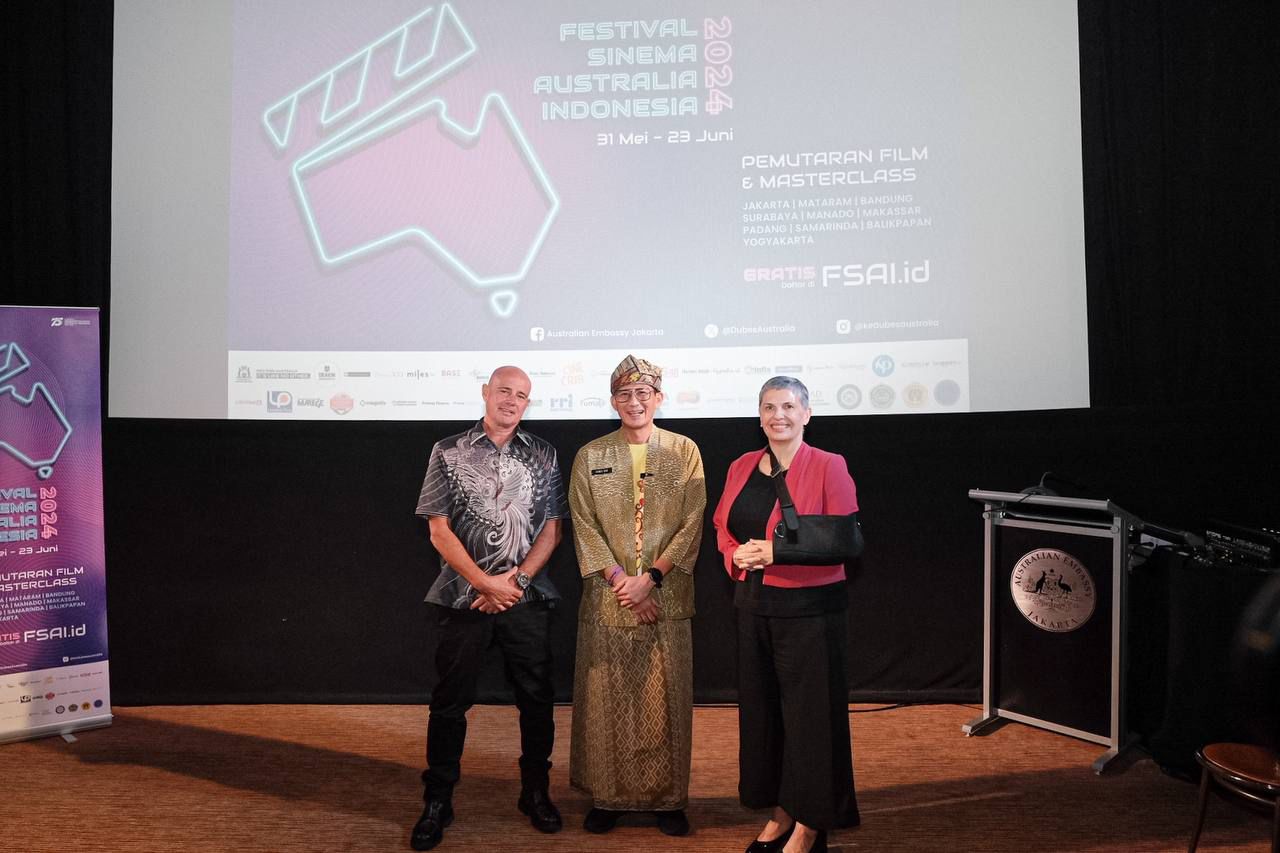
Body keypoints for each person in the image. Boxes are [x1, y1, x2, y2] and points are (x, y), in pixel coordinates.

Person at [410, 366, 566, 851]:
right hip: (464, 597)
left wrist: (515, 583)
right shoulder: (448, 450)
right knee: (449, 703)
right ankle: (438, 800)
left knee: (536, 702)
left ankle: (535, 792)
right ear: (485, 393)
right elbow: (437, 529)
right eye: (504, 391)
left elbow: (552, 529)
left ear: (527, 403)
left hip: (525, 598)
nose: (512, 401)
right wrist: (484, 583)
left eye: (521, 395)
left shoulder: (543, 454)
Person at [711, 376, 861, 853]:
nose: (779, 415)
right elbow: (722, 526)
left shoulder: (829, 465)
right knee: (765, 717)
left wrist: (776, 553)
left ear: (807, 414)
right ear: (759, 416)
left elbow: (845, 540)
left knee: (811, 720)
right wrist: (735, 555)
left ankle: (811, 824)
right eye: (770, 407)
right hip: (753, 606)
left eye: (789, 406)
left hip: (811, 610)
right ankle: (781, 810)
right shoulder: (740, 465)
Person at [567, 354, 706, 837]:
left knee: (665, 702)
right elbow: (584, 525)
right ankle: (608, 799)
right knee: (608, 700)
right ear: (613, 402)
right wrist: (622, 581)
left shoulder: (684, 451)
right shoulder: (591, 455)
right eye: (624, 394)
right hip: (608, 598)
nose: (634, 402)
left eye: (643, 393)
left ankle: (669, 801)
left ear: (658, 398)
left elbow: (692, 522)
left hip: (668, 598)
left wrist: (651, 579)